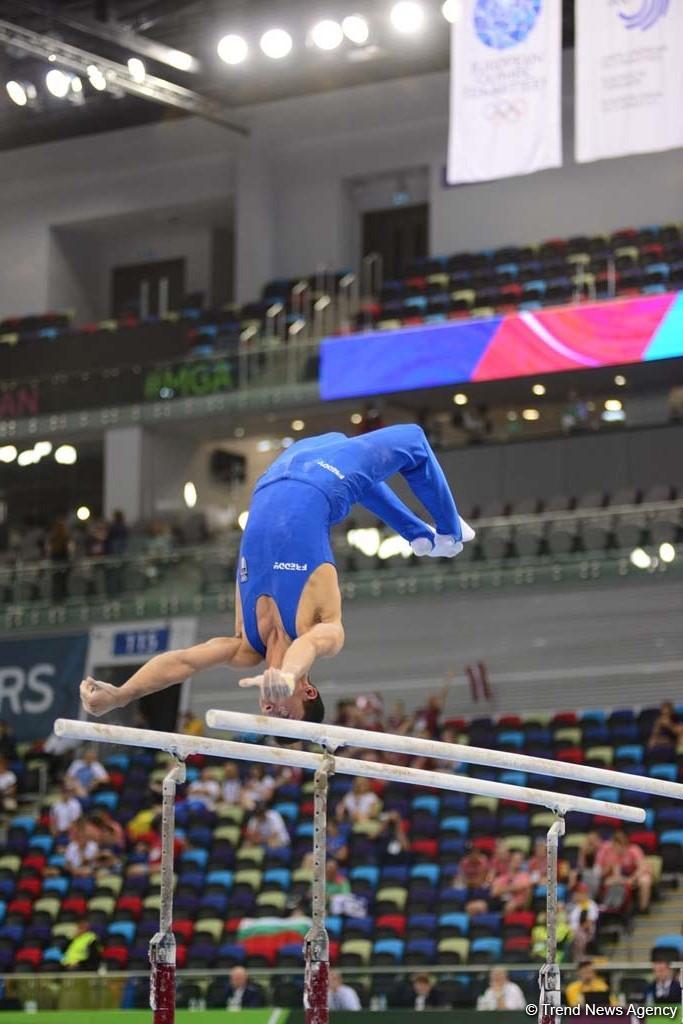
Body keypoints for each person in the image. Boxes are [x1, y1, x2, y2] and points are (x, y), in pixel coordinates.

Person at [80, 425, 474, 723]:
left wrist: (122, 695)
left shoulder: (244, 646)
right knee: (413, 440)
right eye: (286, 713)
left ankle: (419, 535)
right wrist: (286, 675)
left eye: (268, 715)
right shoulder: (322, 632)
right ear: (308, 690)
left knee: (364, 480)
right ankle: (448, 535)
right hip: (324, 476)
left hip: (277, 471)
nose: (270, 709)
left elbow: (184, 662)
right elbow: (307, 649)